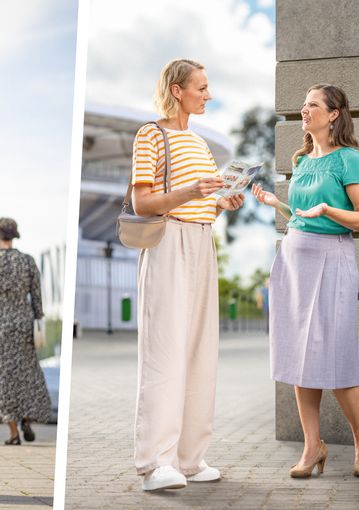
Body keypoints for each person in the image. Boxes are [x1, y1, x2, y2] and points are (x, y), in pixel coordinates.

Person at [251, 83, 359, 479]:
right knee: (297, 356)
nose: (304, 111)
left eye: (312, 106)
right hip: (294, 257)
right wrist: (277, 205)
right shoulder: (302, 161)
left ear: (334, 114)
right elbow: (304, 215)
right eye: (303, 105)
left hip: (332, 258)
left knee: (335, 352)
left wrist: (330, 211)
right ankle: (312, 445)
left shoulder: (349, 160)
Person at [128, 59, 242, 491]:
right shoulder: (151, 134)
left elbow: (201, 202)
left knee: (199, 351)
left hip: (200, 240)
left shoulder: (200, 143)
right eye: (201, 87)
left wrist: (220, 202)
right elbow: (143, 203)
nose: (208, 94)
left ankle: (190, 459)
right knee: (165, 352)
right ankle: (155, 463)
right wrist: (192, 191)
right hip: (167, 242)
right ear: (178, 90)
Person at [0, 218, 48, 444]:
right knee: (25, 374)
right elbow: (36, 296)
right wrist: (38, 319)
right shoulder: (27, 261)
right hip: (22, 321)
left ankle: (14, 433)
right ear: (15, 235)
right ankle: (27, 417)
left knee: (1, 377)